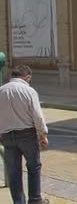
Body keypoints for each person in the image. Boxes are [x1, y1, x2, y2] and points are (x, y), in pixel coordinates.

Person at [0, 65, 49, 204]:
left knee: (13, 172)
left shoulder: (1, 91)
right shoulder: (29, 91)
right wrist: (43, 134)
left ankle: (18, 202)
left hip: (7, 136)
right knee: (34, 166)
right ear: (27, 77)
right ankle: (34, 199)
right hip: (27, 134)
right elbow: (37, 116)